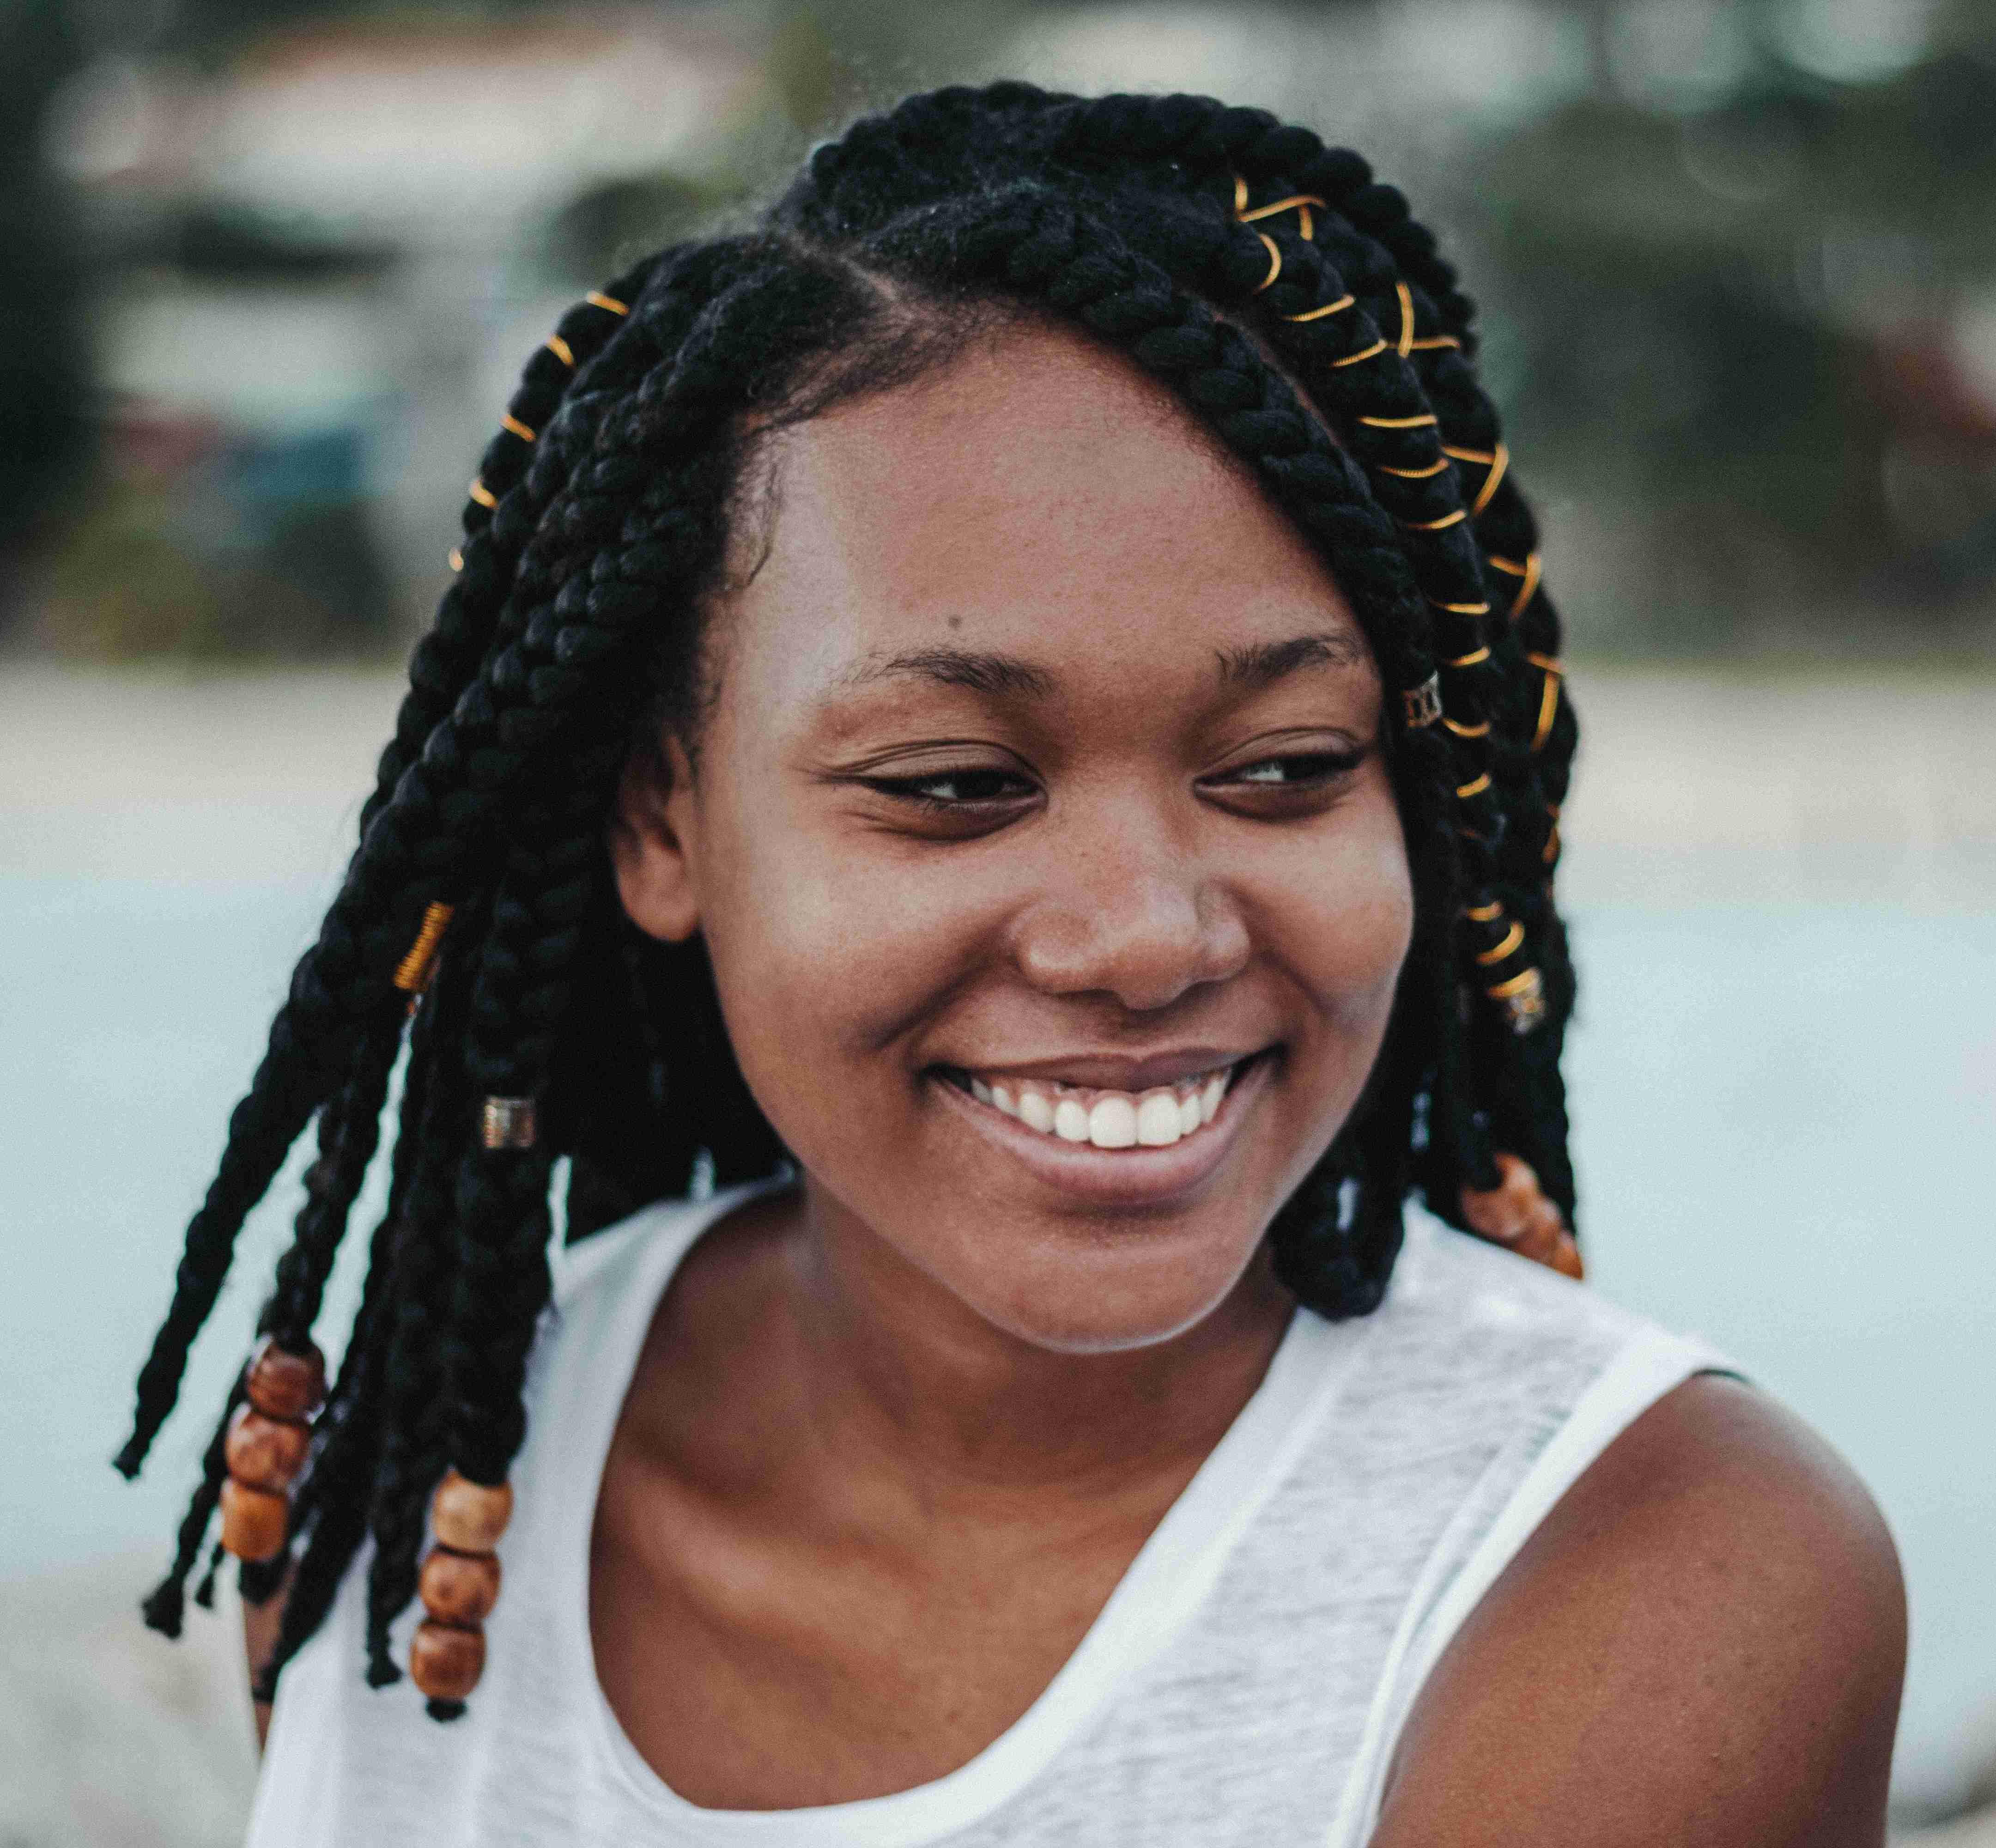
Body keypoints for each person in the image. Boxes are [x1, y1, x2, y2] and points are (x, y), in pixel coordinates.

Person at [111, 84, 1905, 1845]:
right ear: (663, 824)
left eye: (1285, 769)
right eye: (958, 787)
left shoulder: (1648, 1565)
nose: (1142, 936)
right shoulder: (425, 1485)